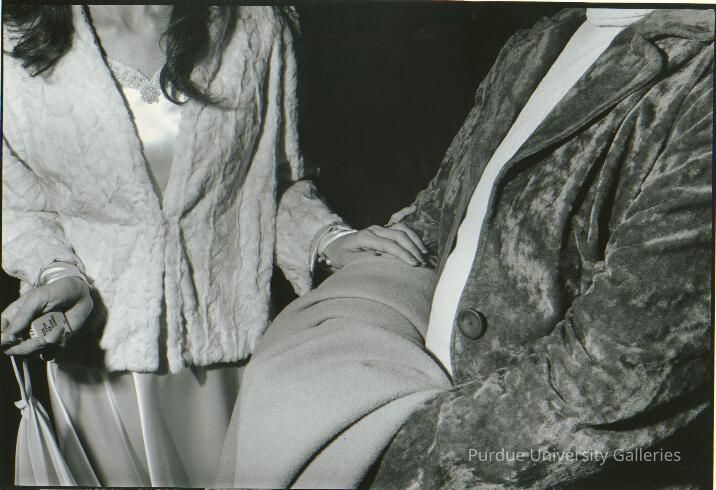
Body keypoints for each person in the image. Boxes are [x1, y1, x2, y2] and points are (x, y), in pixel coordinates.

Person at [218, 7, 713, 488]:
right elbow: (444, 213)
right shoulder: (541, 42)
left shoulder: (700, 76)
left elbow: (613, 377)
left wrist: (393, 451)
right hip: (424, 397)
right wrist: (349, 282)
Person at [0, 5, 426, 487]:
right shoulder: (13, 43)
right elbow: (19, 208)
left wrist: (330, 238)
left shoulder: (257, 25)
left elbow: (272, 182)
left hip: (232, 357)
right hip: (99, 370)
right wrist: (57, 272)